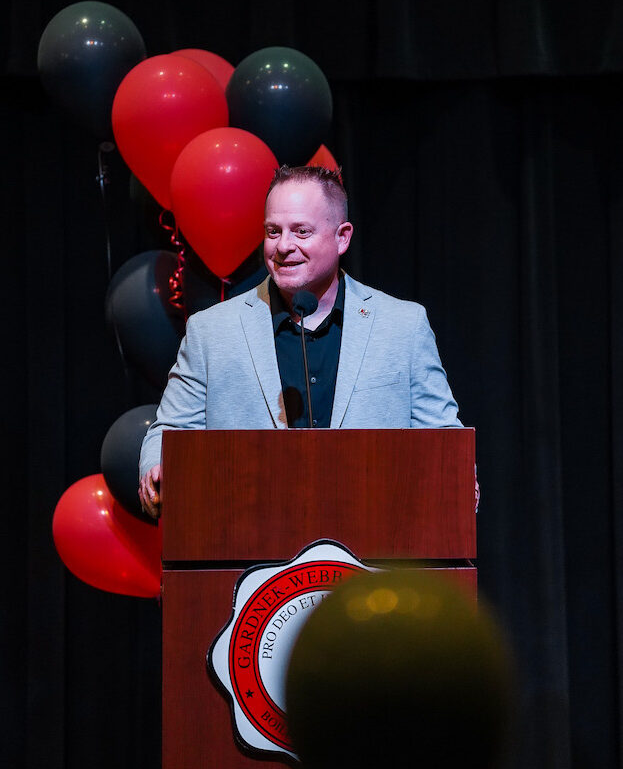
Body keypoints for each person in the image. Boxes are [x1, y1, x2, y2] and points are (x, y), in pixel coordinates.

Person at [138, 165, 463, 518]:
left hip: (376, 546)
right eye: (273, 231)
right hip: (248, 543)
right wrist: (157, 466)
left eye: (301, 232)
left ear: (342, 237)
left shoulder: (403, 325)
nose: (283, 246)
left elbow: (443, 435)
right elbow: (170, 431)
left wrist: (460, 477)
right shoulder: (211, 331)